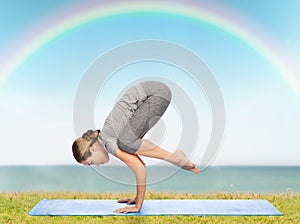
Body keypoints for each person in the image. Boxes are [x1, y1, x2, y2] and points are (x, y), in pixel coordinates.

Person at [72, 80, 199, 214]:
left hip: (155, 94)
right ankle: (175, 157)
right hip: (156, 92)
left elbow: (139, 169)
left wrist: (138, 206)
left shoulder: (109, 143)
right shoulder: (109, 137)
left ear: (92, 149)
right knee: (127, 142)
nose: (97, 165)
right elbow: (140, 165)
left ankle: (175, 158)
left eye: (91, 163)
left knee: (125, 142)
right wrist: (137, 197)